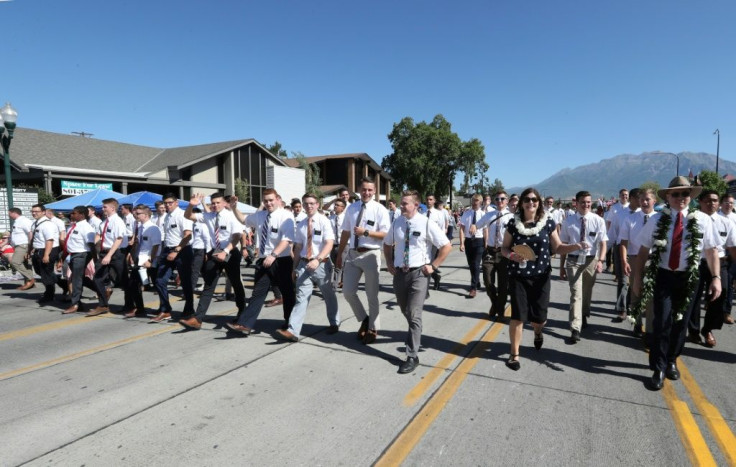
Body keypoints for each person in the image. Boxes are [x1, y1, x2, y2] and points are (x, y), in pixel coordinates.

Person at [632, 177, 721, 390]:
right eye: (676, 194)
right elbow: (644, 250)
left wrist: (716, 278)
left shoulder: (702, 220)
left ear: (690, 197)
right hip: (663, 275)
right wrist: (637, 278)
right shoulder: (657, 220)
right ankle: (658, 367)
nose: (681, 198)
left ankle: (672, 359)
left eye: (685, 194)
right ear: (668, 197)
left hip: (689, 278)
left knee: (681, 324)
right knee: (661, 321)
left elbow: (711, 250)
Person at [500, 188, 577, 370]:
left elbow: (557, 248)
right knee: (518, 317)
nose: (530, 202)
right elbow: (504, 248)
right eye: (526, 199)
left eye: (534, 200)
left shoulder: (548, 223)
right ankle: (514, 354)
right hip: (518, 276)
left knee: (539, 318)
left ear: (539, 203)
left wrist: (574, 247)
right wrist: (512, 256)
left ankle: (537, 331)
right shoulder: (513, 223)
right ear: (522, 203)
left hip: (541, 277)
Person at [384, 190, 451, 373]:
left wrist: (434, 266)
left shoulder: (426, 223)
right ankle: (416, 331)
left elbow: (446, 246)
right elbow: (387, 243)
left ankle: (412, 355)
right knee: (406, 310)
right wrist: (389, 262)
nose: (401, 206)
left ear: (416, 205)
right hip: (400, 274)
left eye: (405, 203)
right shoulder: (397, 222)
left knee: (414, 314)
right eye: (401, 203)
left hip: (419, 274)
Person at [226, 189, 295, 335]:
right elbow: (244, 220)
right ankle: (245, 324)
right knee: (258, 292)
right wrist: (234, 208)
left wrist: (274, 255)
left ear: (277, 199)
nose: (268, 203)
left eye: (271, 200)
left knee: (287, 294)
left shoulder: (286, 216)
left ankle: (290, 324)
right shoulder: (260, 215)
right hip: (264, 260)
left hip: (281, 260)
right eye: (265, 201)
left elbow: (287, 239)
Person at [276, 193, 339, 341]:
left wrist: (318, 259)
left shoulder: (324, 221)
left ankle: (334, 322)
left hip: (321, 265)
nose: (309, 206)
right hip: (304, 264)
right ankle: (293, 331)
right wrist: (294, 267)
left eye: (312, 203)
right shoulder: (302, 223)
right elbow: (298, 247)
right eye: (306, 204)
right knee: (301, 298)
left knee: (328, 296)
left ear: (317, 204)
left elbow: (329, 243)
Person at [336, 177, 390, 344]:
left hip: (371, 254)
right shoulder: (352, 208)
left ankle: (373, 328)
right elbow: (345, 232)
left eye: (370, 190)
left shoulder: (380, 209)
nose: (366, 192)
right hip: (353, 254)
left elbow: (386, 234)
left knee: (371, 294)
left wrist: (366, 233)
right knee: (348, 292)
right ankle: (365, 319)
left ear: (374, 191)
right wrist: (339, 254)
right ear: (359, 190)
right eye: (364, 189)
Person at [179, 193, 245, 330]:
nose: (215, 205)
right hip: (215, 252)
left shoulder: (231, 215)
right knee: (209, 285)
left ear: (224, 203)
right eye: (213, 203)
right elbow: (188, 216)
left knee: (236, 283)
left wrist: (225, 252)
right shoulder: (209, 216)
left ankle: (242, 313)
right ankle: (197, 318)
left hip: (230, 253)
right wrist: (191, 205)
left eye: (217, 203)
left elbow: (237, 237)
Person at [685, 190, 736, 348]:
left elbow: (732, 247)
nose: (711, 203)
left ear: (719, 203)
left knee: (721, 295)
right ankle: (693, 330)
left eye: (714, 200)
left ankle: (707, 329)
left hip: (719, 263)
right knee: (693, 298)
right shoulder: (691, 220)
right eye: (707, 200)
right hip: (697, 262)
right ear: (700, 202)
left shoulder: (726, 223)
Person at [559, 190, 608, 342]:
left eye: (588, 202)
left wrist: (600, 261)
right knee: (576, 294)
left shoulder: (597, 220)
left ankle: (584, 314)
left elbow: (603, 243)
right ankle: (575, 328)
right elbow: (563, 245)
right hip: (573, 260)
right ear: (576, 203)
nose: (586, 205)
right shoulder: (569, 221)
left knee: (586, 292)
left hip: (590, 260)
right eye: (583, 202)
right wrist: (561, 266)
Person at [619, 188, 657, 341]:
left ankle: (650, 330)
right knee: (636, 292)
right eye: (642, 199)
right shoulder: (631, 219)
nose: (645, 202)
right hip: (635, 259)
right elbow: (623, 242)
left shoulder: (661, 219)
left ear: (655, 201)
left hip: (654, 260)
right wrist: (624, 261)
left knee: (651, 297)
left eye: (648, 199)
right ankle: (636, 322)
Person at [151, 193, 194, 323]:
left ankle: (189, 311)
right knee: (159, 280)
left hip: (182, 250)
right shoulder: (167, 216)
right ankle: (165, 310)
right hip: (168, 249)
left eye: (170, 202)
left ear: (176, 202)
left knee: (186, 283)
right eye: (166, 203)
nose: (167, 205)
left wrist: (176, 250)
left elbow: (188, 235)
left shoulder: (183, 214)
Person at [88, 198, 130, 316]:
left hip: (116, 253)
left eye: (104, 207)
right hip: (104, 252)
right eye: (102, 207)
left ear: (112, 208)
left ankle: (130, 305)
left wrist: (109, 255)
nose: (102, 209)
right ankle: (103, 305)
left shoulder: (117, 221)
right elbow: (99, 235)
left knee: (123, 280)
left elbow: (119, 239)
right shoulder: (103, 222)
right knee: (97, 278)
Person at [475, 190, 513, 320]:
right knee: (487, 281)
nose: (499, 201)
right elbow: (478, 224)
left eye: (502, 199)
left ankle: (500, 308)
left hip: (504, 253)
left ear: (507, 201)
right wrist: (474, 226)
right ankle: (495, 303)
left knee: (503, 285)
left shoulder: (511, 217)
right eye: (497, 199)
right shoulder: (489, 215)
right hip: (490, 252)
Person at [122, 205, 161, 318]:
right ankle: (140, 309)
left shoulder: (153, 228)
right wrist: (132, 254)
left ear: (146, 215)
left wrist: (151, 260)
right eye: (136, 213)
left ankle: (164, 308)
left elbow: (156, 245)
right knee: (133, 284)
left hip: (150, 260)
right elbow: (139, 244)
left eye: (138, 213)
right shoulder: (141, 227)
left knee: (158, 285)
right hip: (140, 259)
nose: (136, 215)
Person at [61, 206, 97, 314]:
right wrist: (62, 257)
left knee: (75, 280)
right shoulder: (73, 226)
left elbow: (91, 244)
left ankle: (75, 304)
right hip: (72, 255)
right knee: (80, 278)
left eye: (74, 213)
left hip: (81, 255)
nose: (71, 215)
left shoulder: (86, 227)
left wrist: (95, 259)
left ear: (81, 215)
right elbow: (68, 244)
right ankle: (101, 290)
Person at [612, 188, 641, 321]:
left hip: (639, 251)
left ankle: (632, 306)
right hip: (622, 248)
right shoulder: (620, 213)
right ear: (632, 199)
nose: (642, 201)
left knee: (636, 280)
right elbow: (614, 232)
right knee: (623, 280)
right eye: (639, 198)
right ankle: (622, 309)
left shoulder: (644, 214)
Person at [28, 204, 60, 304]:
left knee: (46, 273)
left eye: (36, 211)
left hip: (48, 250)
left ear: (43, 212)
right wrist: (29, 250)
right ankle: (62, 282)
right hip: (38, 250)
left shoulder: (47, 224)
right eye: (32, 211)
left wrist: (46, 255)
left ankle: (49, 295)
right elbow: (33, 238)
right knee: (40, 271)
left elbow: (49, 240)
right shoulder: (35, 223)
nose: (34, 213)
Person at [458, 194, 485, 298]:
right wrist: (461, 243)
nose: (474, 202)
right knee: (471, 264)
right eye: (473, 200)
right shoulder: (466, 213)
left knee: (476, 264)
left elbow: (486, 230)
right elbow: (462, 229)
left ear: (481, 202)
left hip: (479, 241)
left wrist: (486, 243)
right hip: (469, 241)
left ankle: (473, 288)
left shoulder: (483, 214)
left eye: (477, 200)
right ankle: (477, 280)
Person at [717, 193, 736, 325]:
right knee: (720, 283)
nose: (729, 205)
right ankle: (714, 306)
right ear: (721, 204)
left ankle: (726, 312)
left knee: (729, 284)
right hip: (720, 255)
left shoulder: (735, 218)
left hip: (733, 254)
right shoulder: (716, 218)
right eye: (726, 202)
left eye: (731, 203)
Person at [8, 208, 35, 290]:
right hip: (19, 245)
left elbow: (30, 233)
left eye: (9, 213)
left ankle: (30, 279)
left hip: (23, 245)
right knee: (26, 264)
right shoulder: (17, 221)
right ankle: (29, 283)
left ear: (14, 213)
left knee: (15, 262)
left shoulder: (24, 221)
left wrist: (31, 246)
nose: (8, 215)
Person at [425, 193, 447, 290]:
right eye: (427, 199)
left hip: (433, 243)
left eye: (431, 199)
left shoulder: (439, 214)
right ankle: (435, 277)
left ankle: (425, 288)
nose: (429, 201)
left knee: (429, 263)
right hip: (423, 242)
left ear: (434, 201)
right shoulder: (422, 213)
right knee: (423, 263)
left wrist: (441, 244)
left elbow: (441, 229)